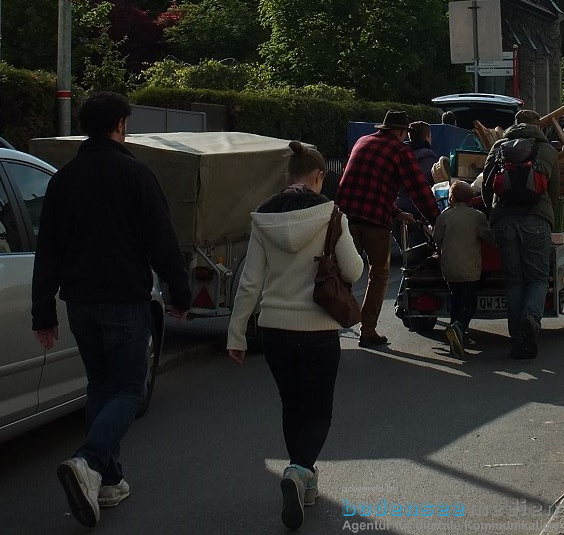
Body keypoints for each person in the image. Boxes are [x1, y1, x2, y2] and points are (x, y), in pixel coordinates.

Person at [31, 92, 191, 529]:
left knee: (100, 388)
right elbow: (162, 239)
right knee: (127, 390)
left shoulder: (62, 180)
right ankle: (87, 462)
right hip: (124, 300)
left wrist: (42, 312)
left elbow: (48, 251)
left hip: (79, 302)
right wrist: (180, 292)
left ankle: (107, 481)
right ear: (120, 124)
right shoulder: (136, 175)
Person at [227, 141, 363, 532]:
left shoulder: (264, 218)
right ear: (319, 176)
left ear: (289, 176)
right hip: (318, 329)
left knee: (292, 405)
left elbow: (250, 282)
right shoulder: (332, 215)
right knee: (319, 409)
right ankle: (300, 469)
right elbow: (352, 271)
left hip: (274, 330)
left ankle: (304, 479)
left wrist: (236, 334)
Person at [336, 110, 440, 348]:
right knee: (379, 274)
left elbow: (367, 185)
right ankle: (368, 331)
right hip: (374, 220)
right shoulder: (399, 150)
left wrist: (395, 211)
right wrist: (435, 217)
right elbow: (418, 189)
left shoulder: (362, 141)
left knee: (342, 274)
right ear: (402, 132)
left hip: (345, 217)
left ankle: (331, 327)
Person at [481, 110, 560, 360]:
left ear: (515, 125)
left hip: (504, 219)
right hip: (536, 218)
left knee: (513, 280)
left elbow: (486, 185)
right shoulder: (547, 150)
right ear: (538, 126)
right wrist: (550, 218)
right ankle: (531, 319)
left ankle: (517, 342)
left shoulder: (499, 146)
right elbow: (555, 191)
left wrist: (492, 213)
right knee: (537, 278)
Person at [432, 180, 491, 358]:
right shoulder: (477, 216)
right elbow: (488, 237)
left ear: (451, 198)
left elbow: (436, 238)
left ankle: (455, 339)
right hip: (470, 268)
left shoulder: (444, 216)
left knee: (456, 301)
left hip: (449, 268)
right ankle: (459, 326)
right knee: (470, 303)